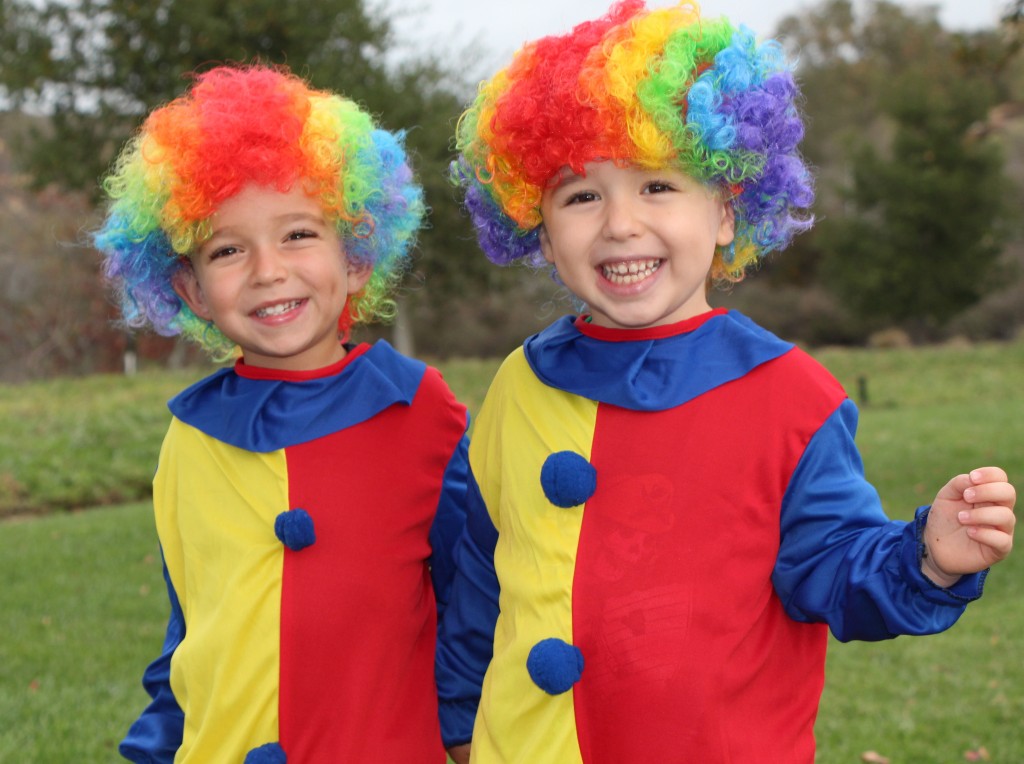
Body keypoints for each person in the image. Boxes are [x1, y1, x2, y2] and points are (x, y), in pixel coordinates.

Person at [436, 2, 1017, 761]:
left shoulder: (792, 398)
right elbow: (477, 576)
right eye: (581, 196)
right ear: (540, 232)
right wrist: (453, 722)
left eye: (657, 186)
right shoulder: (516, 386)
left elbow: (831, 566)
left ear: (726, 211)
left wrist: (927, 560)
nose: (618, 224)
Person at [95, 64, 474, 763]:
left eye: (298, 234)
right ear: (194, 290)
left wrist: (464, 731)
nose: (268, 271)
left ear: (356, 257)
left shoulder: (422, 411)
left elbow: (472, 602)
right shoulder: (190, 437)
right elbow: (193, 625)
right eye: (228, 250)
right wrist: (155, 744)